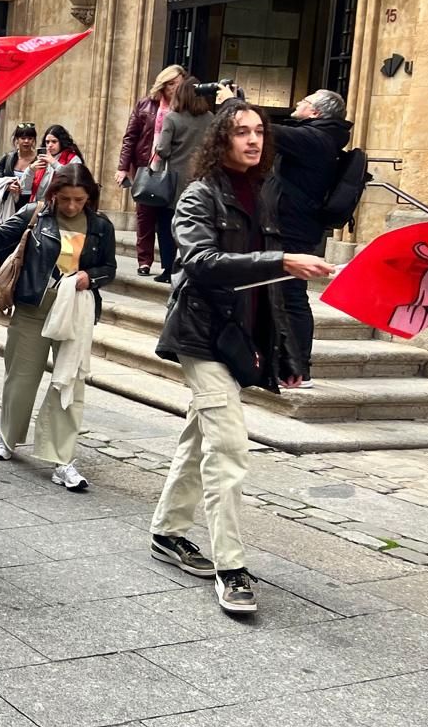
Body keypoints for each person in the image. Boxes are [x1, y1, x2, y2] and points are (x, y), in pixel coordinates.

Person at [150, 102, 333, 614]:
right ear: (219, 140)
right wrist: (281, 259)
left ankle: (167, 532)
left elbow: (274, 290)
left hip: (240, 338)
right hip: (201, 335)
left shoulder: (268, 192)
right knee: (228, 447)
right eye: (240, 132)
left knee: (199, 438)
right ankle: (231, 566)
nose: (253, 140)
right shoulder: (199, 194)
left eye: (258, 131)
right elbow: (201, 262)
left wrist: (290, 353)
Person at [0, 163, 115, 490]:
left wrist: (91, 277)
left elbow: (109, 267)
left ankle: (62, 459)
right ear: (53, 193)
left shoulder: (100, 226)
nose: (71, 206)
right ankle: (7, 435)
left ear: (89, 197)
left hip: (76, 311)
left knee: (69, 382)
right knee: (21, 381)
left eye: (79, 200)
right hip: (33, 309)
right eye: (65, 198)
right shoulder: (36, 214)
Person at [269, 89, 352, 388]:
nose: (298, 103)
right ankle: (285, 363)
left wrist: (233, 103)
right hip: (293, 227)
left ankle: (299, 370)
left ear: (316, 112)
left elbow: (266, 131)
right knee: (284, 295)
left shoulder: (315, 139)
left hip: (294, 230)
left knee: (292, 297)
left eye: (305, 101)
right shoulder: (319, 136)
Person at [118, 65, 184, 276]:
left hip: (173, 169)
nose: (176, 88)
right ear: (163, 84)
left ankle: (168, 263)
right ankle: (144, 261)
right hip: (146, 166)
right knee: (144, 215)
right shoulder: (146, 105)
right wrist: (122, 167)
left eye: (179, 84)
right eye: (172, 83)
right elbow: (130, 137)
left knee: (168, 218)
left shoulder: (185, 108)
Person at [148, 80, 214, 283]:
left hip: (174, 183)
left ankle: (168, 270)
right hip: (202, 180)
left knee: (167, 228)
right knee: (197, 226)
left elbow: (163, 149)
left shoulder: (173, 118)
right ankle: (191, 269)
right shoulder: (211, 118)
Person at [21, 124, 82, 202]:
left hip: (60, 206)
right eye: (47, 142)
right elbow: (25, 188)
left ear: (62, 142)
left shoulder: (73, 159)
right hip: (37, 205)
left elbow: (75, 181)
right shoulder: (42, 158)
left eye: (54, 141)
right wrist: (30, 170)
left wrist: (54, 163)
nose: (49, 145)